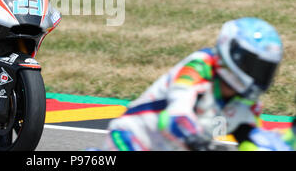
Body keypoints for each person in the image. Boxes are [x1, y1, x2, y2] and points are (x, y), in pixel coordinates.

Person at [104, 17, 293, 151]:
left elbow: (251, 139)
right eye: (255, 66)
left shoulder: (247, 101)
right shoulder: (200, 66)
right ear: (232, 54)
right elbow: (174, 119)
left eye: (265, 70)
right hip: (131, 139)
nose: (259, 76)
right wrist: (205, 145)